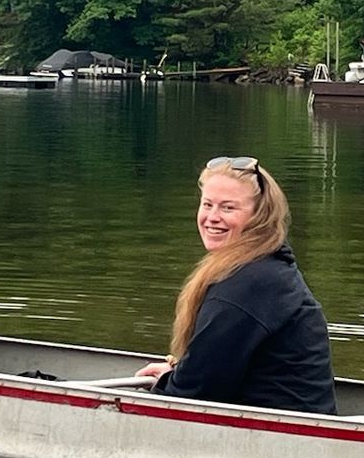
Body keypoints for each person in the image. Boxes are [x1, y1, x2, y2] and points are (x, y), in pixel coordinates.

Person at [136, 156, 337, 413]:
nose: (212, 217)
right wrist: (172, 375)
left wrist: (167, 384)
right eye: (207, 204)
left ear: (259, 217)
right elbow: (211, 370)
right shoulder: (269, 267)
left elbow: (195, 393)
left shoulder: (249, 284)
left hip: (281, 438)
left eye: (228, 208)